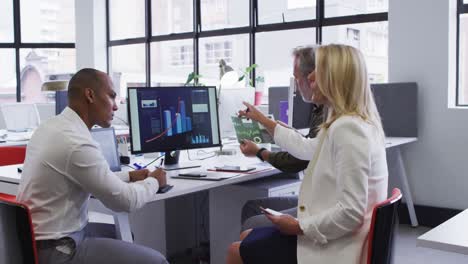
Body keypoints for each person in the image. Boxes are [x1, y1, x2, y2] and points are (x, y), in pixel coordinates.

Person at [227, 44, 388, 264]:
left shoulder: (348, 129)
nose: (310, 76)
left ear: (335, 77)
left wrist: (299, 226)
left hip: (340, 247)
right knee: (247, 237)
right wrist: (264, 121)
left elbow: (352, 212)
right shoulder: (348, 123)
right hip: (343, 237)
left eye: (318, 69)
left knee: (236, 251)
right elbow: (306, 148)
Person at [17, 68, 169, 264]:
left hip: (32, 242)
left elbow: (86, 178)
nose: (115, 106)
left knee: (122, 233)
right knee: (158, 262)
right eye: (112, 96)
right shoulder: (76, 143)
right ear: (90, 95)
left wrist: (129, 177)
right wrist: (154, 181)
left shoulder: (51, 127)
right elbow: (125, 201)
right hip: (58, 250)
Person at [239, 46, 325, 231]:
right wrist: (279, 129)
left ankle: (245, 249)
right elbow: (311, 146)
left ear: (313, 77)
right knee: (251, 207)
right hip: (319, 200)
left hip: (318, 210)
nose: (296, 84)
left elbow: (300, 158)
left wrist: (259, 151)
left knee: (251, 221)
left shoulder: (329, 115)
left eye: (297, 78)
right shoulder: (321, 110)